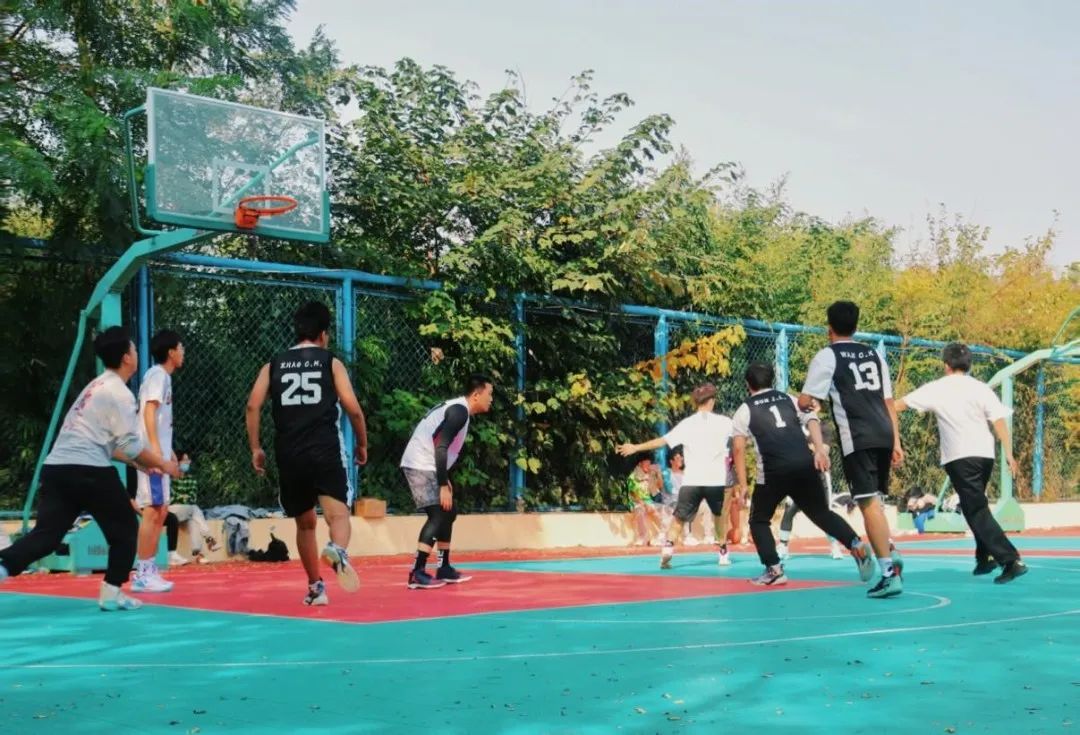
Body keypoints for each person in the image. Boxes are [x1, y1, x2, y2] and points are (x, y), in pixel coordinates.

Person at [0, 326, 179, 610]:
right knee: (125, 530)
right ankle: (111, 592)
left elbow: (111, 446)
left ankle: (3, 566)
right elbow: (130, 446)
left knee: (46, 536)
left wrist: (140, 465)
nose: (136, 352)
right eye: (133, 349)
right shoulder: (120, 394)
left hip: (57, 469)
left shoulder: (94, 387)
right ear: (126, 357)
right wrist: (164, 464)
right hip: (89, 470)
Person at [246, 301, 369, 606]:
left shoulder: (273, 364)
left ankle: (315, 588)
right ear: (323, 334)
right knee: (338, 515)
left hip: (289, 453)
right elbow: (353, 408)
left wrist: (256, 447)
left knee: (305, 524)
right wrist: (362, 443)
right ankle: (337, 550)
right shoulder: (330, 363)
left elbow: (252, 405)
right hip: (325, 449)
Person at [798, 300, 906, 599]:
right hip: (884, 432)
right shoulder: (874, 355)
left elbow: (806, 399)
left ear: (828, 327)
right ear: (856, 326)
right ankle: (891, 549)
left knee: (868, 504)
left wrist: (806, 402)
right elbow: (888, 402)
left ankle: (889, 573)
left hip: (857, 436)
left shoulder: (828, 355)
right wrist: (896, 441)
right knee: (875, 503)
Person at [895, 342, 1028, 583]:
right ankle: (983, 557)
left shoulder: (937, 388)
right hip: (985, 455)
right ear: (969, 365)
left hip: (960, 457)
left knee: (976, 509)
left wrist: (876, 408)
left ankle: (1010, 560)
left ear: (946, 365)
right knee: (973, 505)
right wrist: (1009, 453)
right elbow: (998, 420)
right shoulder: (981, 388)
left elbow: (898, 405)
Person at [733, 362, 874, 586]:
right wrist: (819, 450)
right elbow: (812, 418)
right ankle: (855, 544)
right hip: (804, 465)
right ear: (772, 380)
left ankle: (774, 569)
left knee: (758, 520)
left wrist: (742, 485)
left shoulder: (745, 409)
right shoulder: (789, 399)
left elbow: (739, 449)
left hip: (773, 471)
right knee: (821, 513)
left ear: (747, 384)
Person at [617, 382, 735, 569]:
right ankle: (722, 552)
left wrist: (636, 447)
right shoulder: (725, 422)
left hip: (692, 482)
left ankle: (668, 548)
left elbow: (662, 441)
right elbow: (742, 436)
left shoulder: (687, 424)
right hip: (715, 481)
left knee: (679, 518)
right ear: (712, 401)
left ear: (696, 402)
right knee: (720, 515)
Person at [400, 374, 494, 589]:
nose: (491, 399)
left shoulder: (460, 410)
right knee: (439, 514)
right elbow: (441, 445)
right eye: (489, 394)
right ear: (476, 395)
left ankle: (444, 568)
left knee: (448, 511)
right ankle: (417, 572)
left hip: (427, 464)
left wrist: (444, 477)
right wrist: (442, 483)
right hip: (420, 463)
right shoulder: (459, 411)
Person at [132, 329, 185, 593]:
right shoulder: (158, 375)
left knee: (161, 510)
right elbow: (149, 411)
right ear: (171, 352)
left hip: (159, 452)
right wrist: (155, 450)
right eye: (181, 348)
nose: (183, 352)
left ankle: (149, 568)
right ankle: (143, 573)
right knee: (153, 511)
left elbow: (159, 418)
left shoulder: (162, 377)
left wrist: (169, 450)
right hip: (153, 454)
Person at [777, 419, 846, 561]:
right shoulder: (793, 425)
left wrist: (805, 447)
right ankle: (783, 546)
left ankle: (834, 545)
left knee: (825, 512)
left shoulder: (823, 426)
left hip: (819, 476)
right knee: (789, 510)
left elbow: (823, 450)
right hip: (797, 476)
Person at [168, 449, 219, 564]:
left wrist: (181, 498)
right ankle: (209, 537)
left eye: (188, 460)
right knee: (194, 509)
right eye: (185, 460)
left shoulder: (191, 480)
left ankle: (198, 554)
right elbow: (171, 499)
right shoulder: (169, 479)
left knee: (193, 520)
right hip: (172, 511)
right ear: (177, 462)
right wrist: (183, 498)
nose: (188, 462)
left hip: (187, 512)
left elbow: (191, 498)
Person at [627, 455, 664, 545]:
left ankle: (661, 537)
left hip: (649, 502)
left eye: (649, 464)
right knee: (640, 510)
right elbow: (633, 494)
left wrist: (658, 473)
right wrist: (643, 504)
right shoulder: (633, 477)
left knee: (663, 512)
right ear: (640, 464)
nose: (648, 466)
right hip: (636, 502)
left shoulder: (649, 476)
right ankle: (642, 537)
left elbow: (659, 487)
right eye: (646, 464)